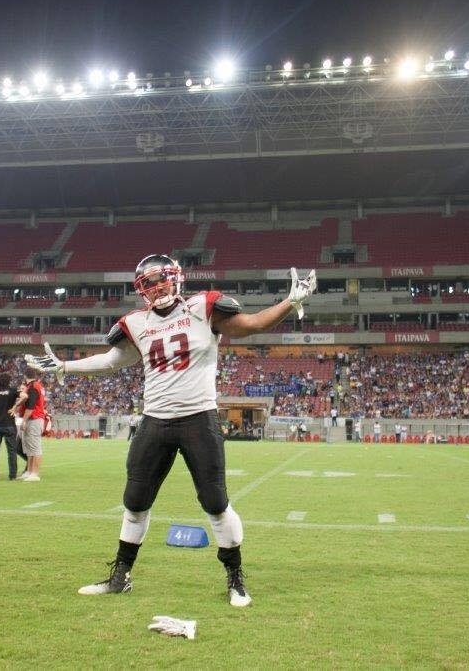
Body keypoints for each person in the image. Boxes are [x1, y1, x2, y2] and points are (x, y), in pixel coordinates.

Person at [27, 255, 316, 607]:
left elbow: (252, 324)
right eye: (148, 283)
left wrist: (289, 303)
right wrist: (65, 366)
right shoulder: (136, 323)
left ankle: (235, 579)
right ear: (141, 290)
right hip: (156, 421)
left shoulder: (203, 308)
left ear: (176, 278)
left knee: (215, 502)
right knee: (135, 501)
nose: (157, 287)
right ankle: (121, 577)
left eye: (161, 279)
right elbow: (111, 361)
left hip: (198, 418)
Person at [17, 367, 48, 481]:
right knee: (29, 448)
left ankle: (34, 473)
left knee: (35, 447)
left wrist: (23, 420)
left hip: (34, 418)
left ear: (25, 376)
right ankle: (29, 472)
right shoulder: (35, 386)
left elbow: (31, 406)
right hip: (33, 418)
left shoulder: (33, 387)